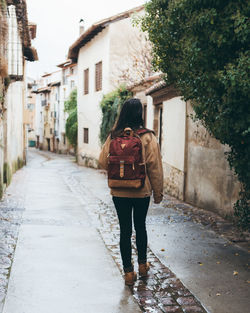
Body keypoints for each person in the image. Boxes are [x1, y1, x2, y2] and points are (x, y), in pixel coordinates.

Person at [99, 98, 163, 286]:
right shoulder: (148, 137)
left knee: (124, 231)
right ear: (140, 114)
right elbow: (155, 168)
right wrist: (158, 193)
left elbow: (102, 162)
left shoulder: (113, 136)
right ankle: (143, 266)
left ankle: (128, 273)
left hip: (118, 192)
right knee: (140, 227)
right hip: (141, 190)